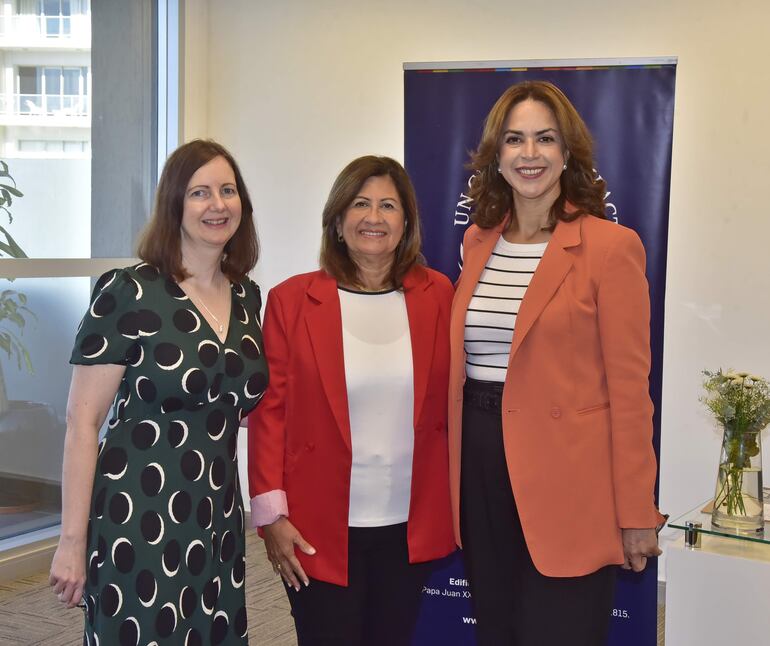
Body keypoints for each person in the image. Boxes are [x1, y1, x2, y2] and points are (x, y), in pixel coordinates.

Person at [448, 81, 666, 645]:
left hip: (568, 475)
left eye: (545, 139)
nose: (529, 154)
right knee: (497, 629)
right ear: (496, 156)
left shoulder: (611, 247)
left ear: (567, 153)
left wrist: (636, 511)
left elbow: (630, 392)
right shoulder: (478, 242)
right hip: (482, 462)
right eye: (514, 139)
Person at [49, 139, 268, 645]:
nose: (217, 204)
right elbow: (82, 423)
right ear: (174, 204)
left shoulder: (247, 296)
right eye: (199, 192)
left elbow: (237, 404)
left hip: (215, 512)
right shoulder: (129, 292)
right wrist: (71, 541)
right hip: (139, 511)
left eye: (227, 190)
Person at [247, 155, 454, 646]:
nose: (373, 217)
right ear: (338, 221)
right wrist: (271, 516)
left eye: (388, 205)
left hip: (409, 524)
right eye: (360, 204)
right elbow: (269, 413)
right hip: (316, 526)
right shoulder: (292, 300)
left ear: (406, 223)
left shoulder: (439, 295)